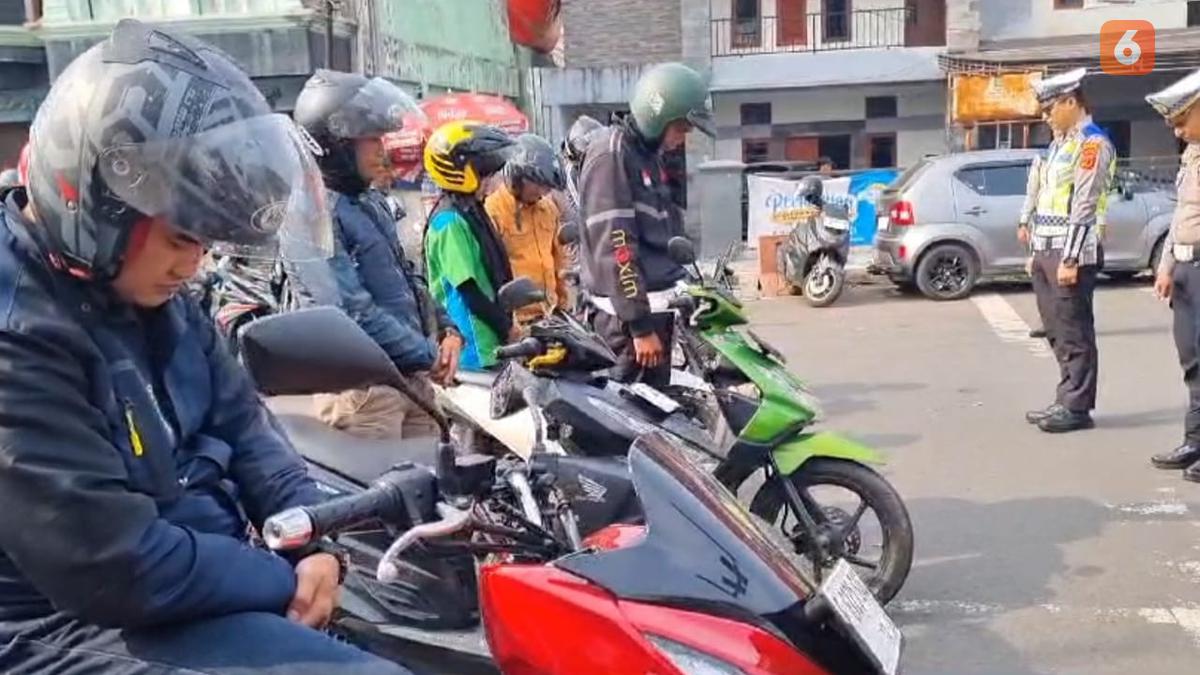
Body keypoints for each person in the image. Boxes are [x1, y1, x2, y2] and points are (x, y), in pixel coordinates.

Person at [0, 20, 408, 675]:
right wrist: (281, 576)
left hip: (190, 587)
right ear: (100, 205)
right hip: (64, 623)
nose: (194, 264)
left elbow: (246, 429)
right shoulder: (18, 331)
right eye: (183, 238)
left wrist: (315, 539)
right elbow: (110, 562)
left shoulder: (160, 302)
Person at [287, 70, 462, 440]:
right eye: (371, 139)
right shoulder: (312, 212)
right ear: (334, 144)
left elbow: (408, 280)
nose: (383, 148)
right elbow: (351, 312)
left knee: (436, 488)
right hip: (363, 393)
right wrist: (427, 354)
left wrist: (448, 330)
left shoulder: (368, 202)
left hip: (409, 379)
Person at [578, 62, 715, 386]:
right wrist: (639, 327)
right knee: (627, 424)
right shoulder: (612, 155)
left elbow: (666, 234)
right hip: (626, 329)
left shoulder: (646, 157)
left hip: (652, 316)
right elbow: (617, 247)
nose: (682, 140)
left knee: (659, 417)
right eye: (681, 129)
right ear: (658, 116)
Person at [1023, 68, 1116, 434]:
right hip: (1046, 246)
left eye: (1049, 109)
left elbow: (1084, 204)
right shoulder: (1059, 143)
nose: (1045, 117)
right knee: (1055, 329)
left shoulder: (1092, 144)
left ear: (1070, 102)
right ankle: (1065, 395)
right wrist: (1035, 248)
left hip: (1070, 250)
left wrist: (1072, 257)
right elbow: (1046, 198)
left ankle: (1077, 406)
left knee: (1075, 331)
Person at [423, 120, 517, 370]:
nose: (492, 180)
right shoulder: (449, 221)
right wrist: (507, 327)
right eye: (485, 173)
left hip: (489, 345)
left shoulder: (471, 211)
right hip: (473, 349)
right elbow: (469, 290)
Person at [1147, 69, 1200, 481]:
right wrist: (1167, 267)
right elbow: (1180, 216)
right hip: (1186, 268)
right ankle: (1195, 440)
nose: (1176, 129)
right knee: (1192, 360)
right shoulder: (1191, 156)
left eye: (1183, 120)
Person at [486, 133, 570, 323]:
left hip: (551, 317)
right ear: (517, 176)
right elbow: (490, 275)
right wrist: (507, 323)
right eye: (538, 185)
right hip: (518, 322)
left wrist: (564, 308)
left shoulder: (548, 209)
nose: (543, 193)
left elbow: (559, 263)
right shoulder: (493, 211)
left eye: (547, 187)